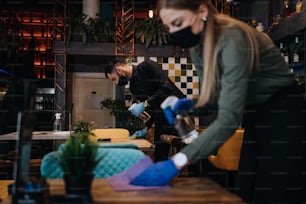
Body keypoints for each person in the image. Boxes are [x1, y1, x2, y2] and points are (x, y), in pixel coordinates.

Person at [129, 1, 306, 204]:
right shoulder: (198, 49)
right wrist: (191, 104)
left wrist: (176, 162)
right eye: (169, 27)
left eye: (178, 23)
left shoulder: (232, 37)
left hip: (285, 115)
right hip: (255, 118)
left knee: (276, 194)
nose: (174, 32)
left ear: (202, 11)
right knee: (246, 191)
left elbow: (228, 119)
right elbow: (214, 96)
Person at [105, 59, 186, 161]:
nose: (116, 83)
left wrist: (145, 103)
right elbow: (151, 110)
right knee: (160, 151)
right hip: (161, 115)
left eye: (114, 79)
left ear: (118, 69)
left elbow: (166, 88)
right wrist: (146, 128)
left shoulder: (147, 66)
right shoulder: (134, 88)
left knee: (187, 146)